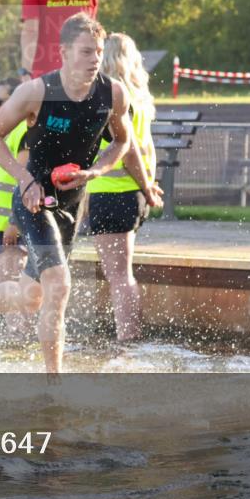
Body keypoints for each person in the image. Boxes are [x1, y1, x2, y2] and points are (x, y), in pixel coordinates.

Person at [0, 13, 160, 374]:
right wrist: (24, 179)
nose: (94, 60)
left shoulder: (112, 94)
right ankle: (54, 387)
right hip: (33, 199)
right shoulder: (36, 93)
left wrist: (107, 173)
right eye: (86, 52)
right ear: (64, 52)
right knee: (59, 285)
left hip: (72, 204)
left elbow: (123, 142)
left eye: (98, 52)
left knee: (31, 297)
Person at [87, 33, 162, 341]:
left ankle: (127, 339)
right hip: (131, 194)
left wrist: (146, 186)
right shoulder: (139, 97)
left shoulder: (113, 97)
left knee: (119, 276)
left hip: (113, 192)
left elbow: (128, 149)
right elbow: (144, 148)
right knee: (121, 273)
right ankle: (128, 336)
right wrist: (147, 186)